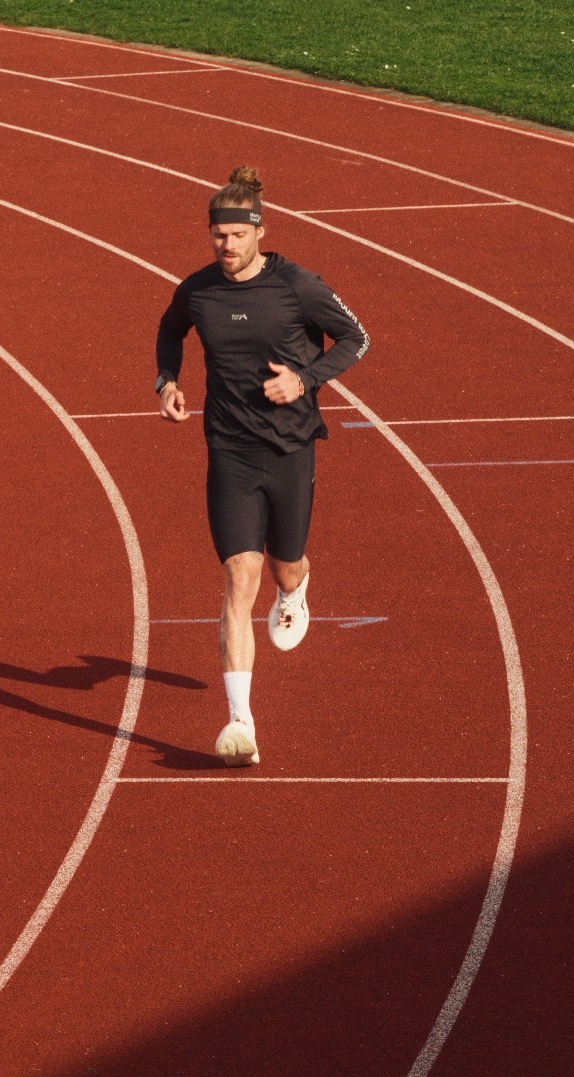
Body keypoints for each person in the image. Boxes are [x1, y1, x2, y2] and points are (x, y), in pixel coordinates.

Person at [154, 166, 370, 766]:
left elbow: (356, 338)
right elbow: (170, 330)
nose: (225, 245)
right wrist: (166, 381)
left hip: (290, 447)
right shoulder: (197, 291)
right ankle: (240, 723)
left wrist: (305, 379)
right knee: (239, 575)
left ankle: (295, 592)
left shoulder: (297, 286)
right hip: (229, 449)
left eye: (236, 235)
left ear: (259, 232)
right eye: (217, 235)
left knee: (284, 565)